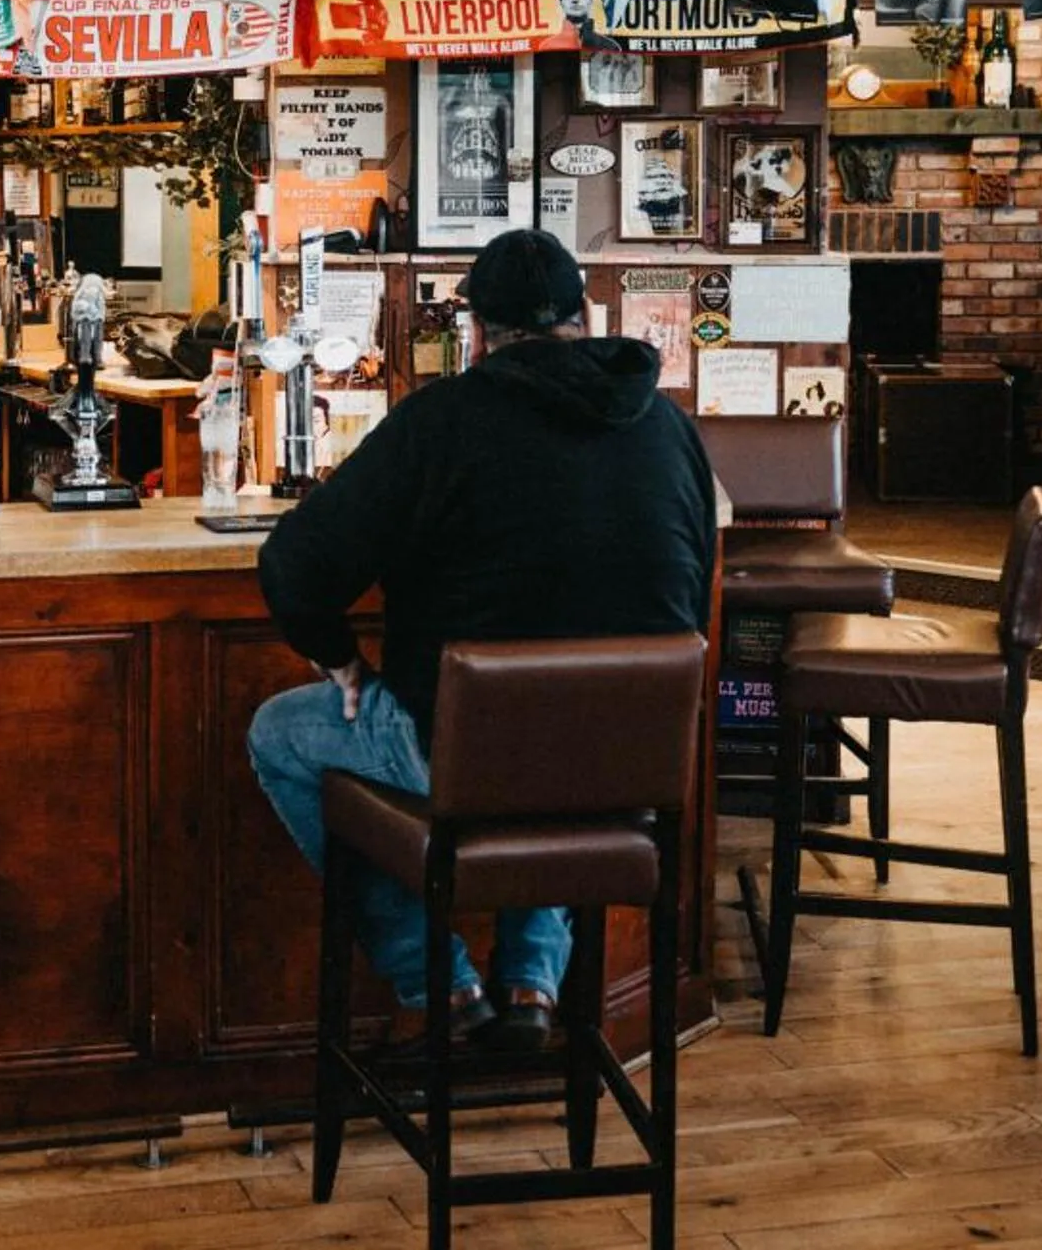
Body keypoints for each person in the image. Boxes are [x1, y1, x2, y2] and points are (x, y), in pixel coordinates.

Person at [248, 227, 715, 1051]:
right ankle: (533, 979)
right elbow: (693, 590)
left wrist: (342, 662)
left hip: (473, 760)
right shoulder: (667, 427)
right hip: (628, 767)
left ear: (474, 330)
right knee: (552, 724)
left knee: (280, 732)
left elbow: (294, 564)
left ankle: (440, 976)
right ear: (585, 314)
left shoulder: (439, 421)